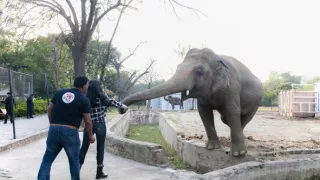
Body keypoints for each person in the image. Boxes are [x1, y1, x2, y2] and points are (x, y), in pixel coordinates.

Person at [37, 76, 96, 180]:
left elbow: (50, 108)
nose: (87, 87)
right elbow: (88, 121)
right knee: (74, 161)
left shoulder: (60, 93)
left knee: (47, 159)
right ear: (83, 86)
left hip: (54, 129)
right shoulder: (84, 99)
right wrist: (90, 136)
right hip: (70, 132)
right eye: (87, 85)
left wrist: (52, 124)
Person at [79, 80, 128, 179]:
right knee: (100, 149)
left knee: (84, 148)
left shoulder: (85, 98)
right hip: (100, 125)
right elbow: (115, 103)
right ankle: (99, 173)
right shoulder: (102, 97)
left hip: (89, 125)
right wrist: (123, 106)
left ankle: (76, 171)